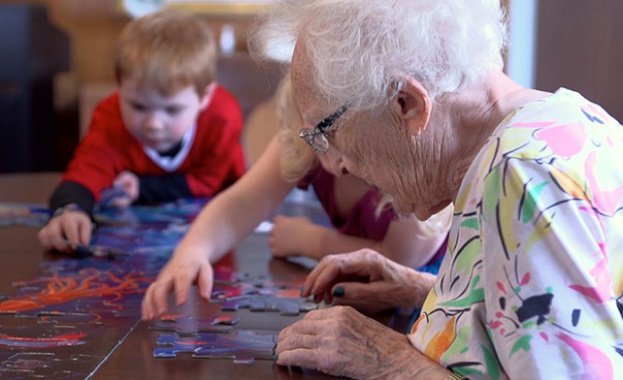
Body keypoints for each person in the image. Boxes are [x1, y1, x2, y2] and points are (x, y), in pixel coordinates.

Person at [247, 0, 623, 379]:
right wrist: (428, 292)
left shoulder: (523, 173)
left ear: (407, 103)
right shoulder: (566, 118)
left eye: (327, 133)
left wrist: (392, 362)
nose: (337, 165)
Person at [140, 75, 451, 320]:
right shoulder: (309, 136)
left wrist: (309, 241)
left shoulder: (414, 157)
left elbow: (398, 261)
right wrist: (192, 250)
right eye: (313, 133)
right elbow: (239, 204)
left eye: (332, 131)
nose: (332, 161)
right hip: (355, 298)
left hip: (434, 302)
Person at [38, 9, 246, 253]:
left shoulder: (222, 117)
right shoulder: (110, 117)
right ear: (118, 84)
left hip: (218, 235)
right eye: (138, 106)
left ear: (204, 97)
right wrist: (70, 209)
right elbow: (85, 172)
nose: (154, 123)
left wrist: (142, 187)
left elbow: (209, 181)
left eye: (172, 109)